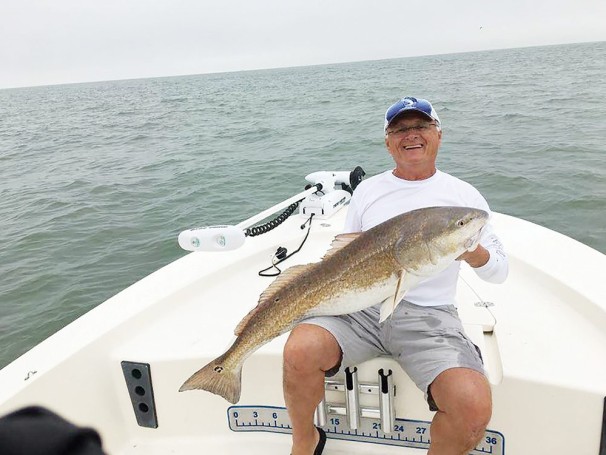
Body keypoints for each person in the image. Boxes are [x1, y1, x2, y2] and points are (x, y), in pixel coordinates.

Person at [283, 96, 508, 455]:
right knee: (299, 349)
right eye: (400, 129)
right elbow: (346, 254)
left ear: (439, 134)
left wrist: (471, 250)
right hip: (362, 309)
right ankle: (304, 441)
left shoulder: (463, 198)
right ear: (388, 142)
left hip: (429, 316)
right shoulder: (368, 191)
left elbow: (499, 270)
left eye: (421, 126)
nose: (411, 135)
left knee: (471, 405)